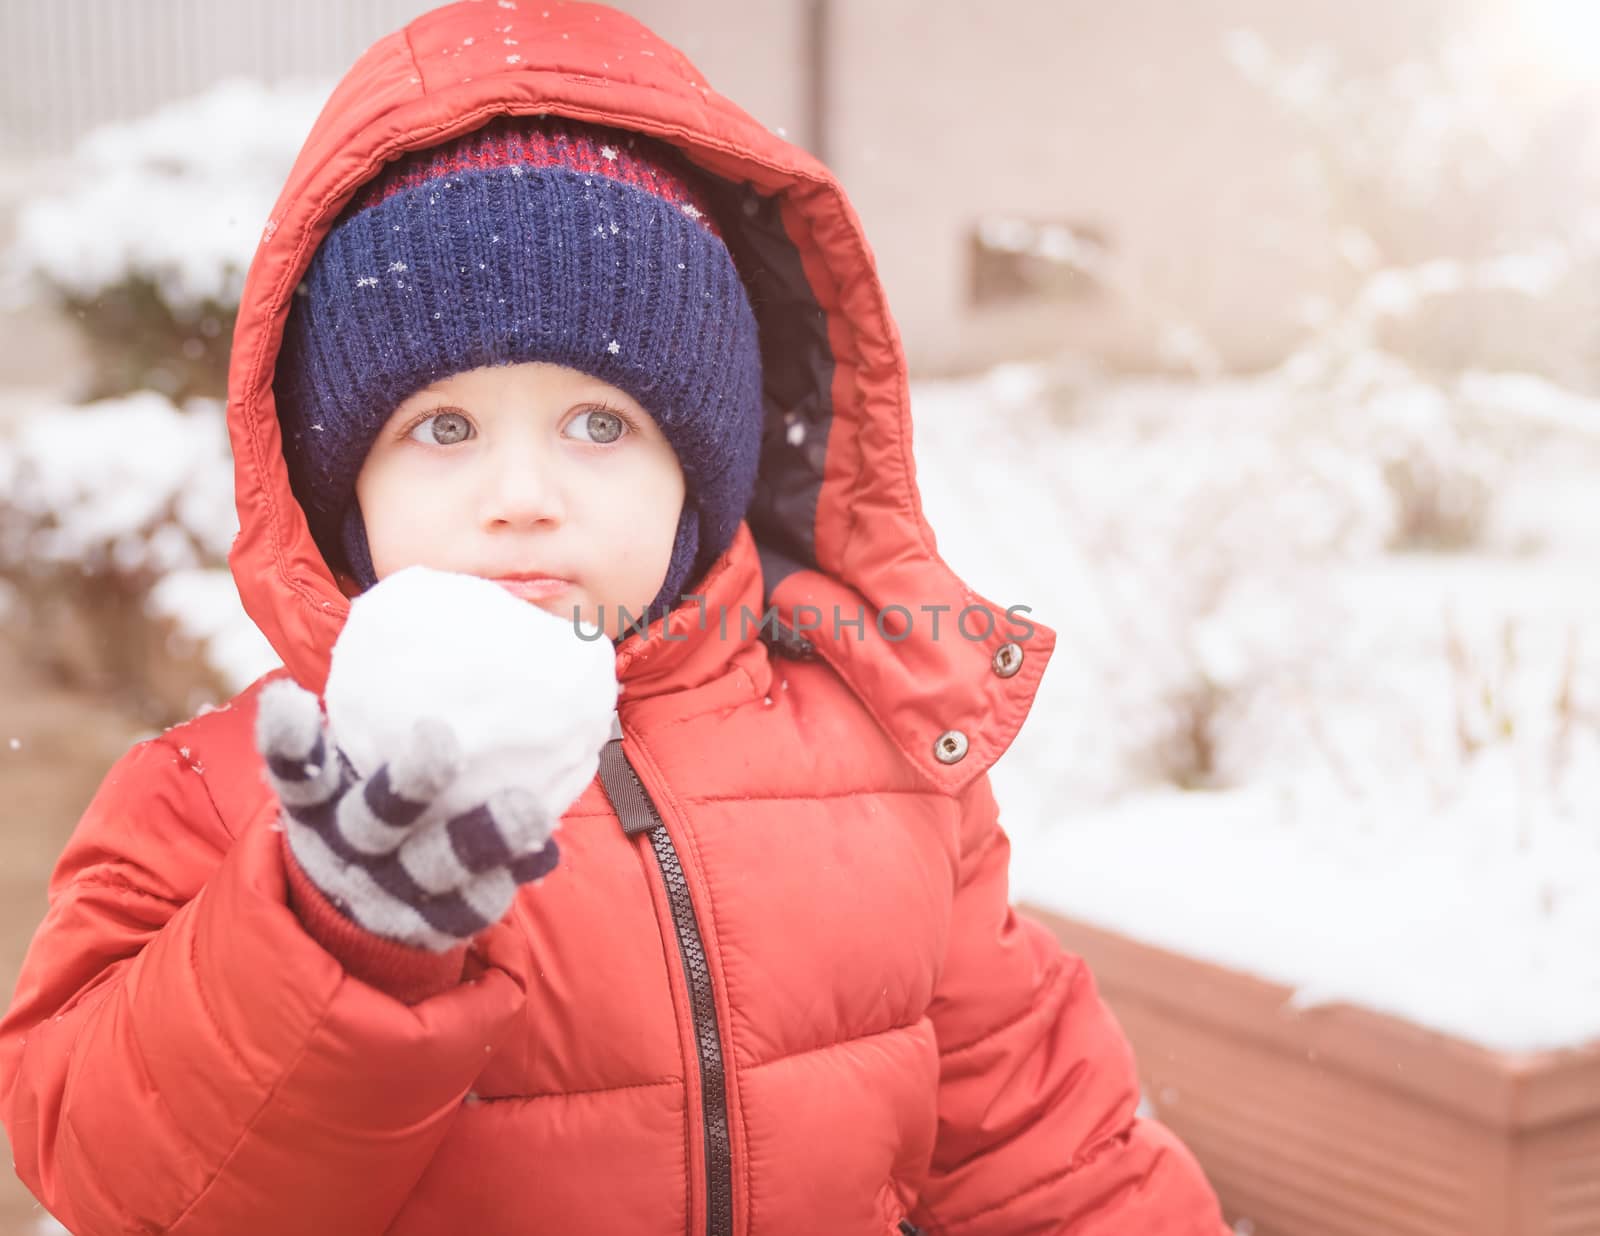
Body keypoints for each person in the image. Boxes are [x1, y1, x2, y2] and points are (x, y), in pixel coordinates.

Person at [0, 3, 1230, 1233]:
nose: (522, 497)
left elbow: (1047, 1156)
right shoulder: (229, 801)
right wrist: (338, 935)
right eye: (443, 429)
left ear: (698, 471)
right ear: (341, 487)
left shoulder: (882, 765)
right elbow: (122, 1178)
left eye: (600, 426)